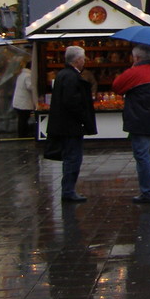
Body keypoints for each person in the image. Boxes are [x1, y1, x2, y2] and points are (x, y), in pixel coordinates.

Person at [112, 45, 150, 203]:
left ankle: (147, 192)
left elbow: (117, 87)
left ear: (136, 58)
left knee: (142, 156)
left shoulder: (134, 73)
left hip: (138, 121)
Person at [47, 45, 98, 201]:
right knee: (73, 158)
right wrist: (84, 118)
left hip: (64, 125)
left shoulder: (62, 75)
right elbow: (72, 102)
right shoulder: (72, 77)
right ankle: (68, 191)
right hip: (71, 126)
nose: (84, 61)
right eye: (83, 58)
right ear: (77, 60)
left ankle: (68, 190)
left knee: (71, 157)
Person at [11, 58, 36, 138]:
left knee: (22, 119)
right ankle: (23, 134)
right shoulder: (28, 76)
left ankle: (22, 134)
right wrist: (36, 86)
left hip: (18, 101)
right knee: (24, 119)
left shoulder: (22, 74)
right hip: (23, 102)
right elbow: (30, 87)